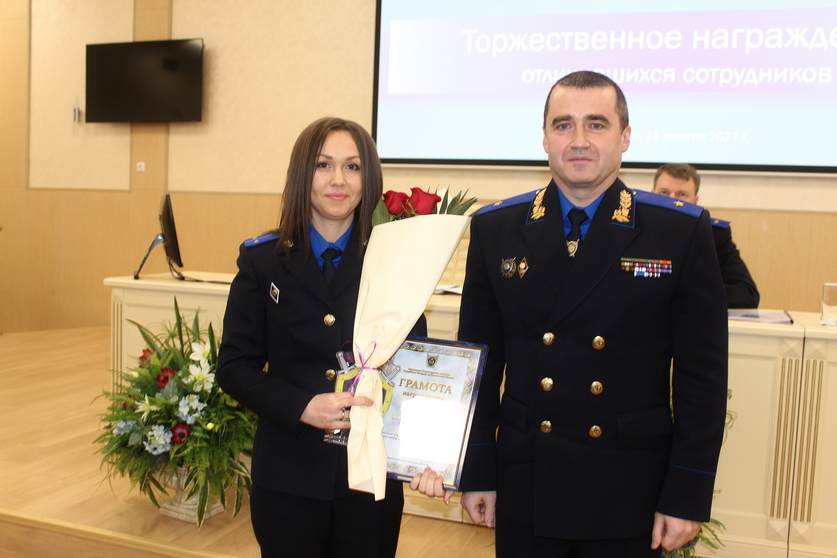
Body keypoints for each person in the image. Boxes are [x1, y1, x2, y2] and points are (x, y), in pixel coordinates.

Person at [417, 71, 729, 557]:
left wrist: (686, 493)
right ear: (544, 137)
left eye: (596, 124)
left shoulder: (679, 231)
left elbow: (702, 378)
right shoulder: (497, 228)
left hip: (628, 486)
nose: (579, 140)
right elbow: (480, 364)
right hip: (528, 481)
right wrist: (478, 469)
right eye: (563, 125)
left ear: (625, 136)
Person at [216, 117, 426, 558]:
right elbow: (235, 368)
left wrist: (431, 455)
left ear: (369, 178)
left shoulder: (393, 264)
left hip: (368, 478)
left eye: (353, 167)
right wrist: (303, 406)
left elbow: (412, 370)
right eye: (323, 165)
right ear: (301, 174)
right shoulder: (263, 261)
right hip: (288, 475)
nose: (338, 180)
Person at [653, 163, 760, 309]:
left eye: (682, 195)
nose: (672, 201)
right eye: (664, 192)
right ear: (652, 194)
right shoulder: (633, 230)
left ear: (695, 202)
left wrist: (685, 295)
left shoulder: (714, 235)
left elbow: (746, 294)